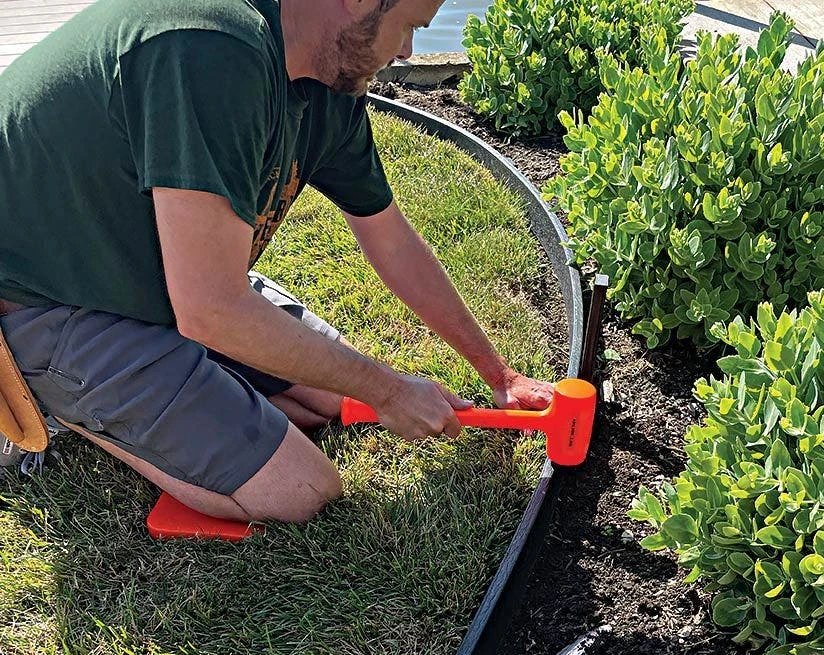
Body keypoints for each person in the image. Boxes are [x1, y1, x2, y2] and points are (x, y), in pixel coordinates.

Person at [0, 0, 553, 521]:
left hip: (160, 284)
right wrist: (390, 390)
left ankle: (174, 379)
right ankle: (58, 398)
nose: (408, 49)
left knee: (330, 403)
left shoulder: (327, 83)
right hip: (41, 299)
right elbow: (212, 310)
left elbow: (391, 239)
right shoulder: (209, 49)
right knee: (301, 489)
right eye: (409, 23)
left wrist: (498, 374)